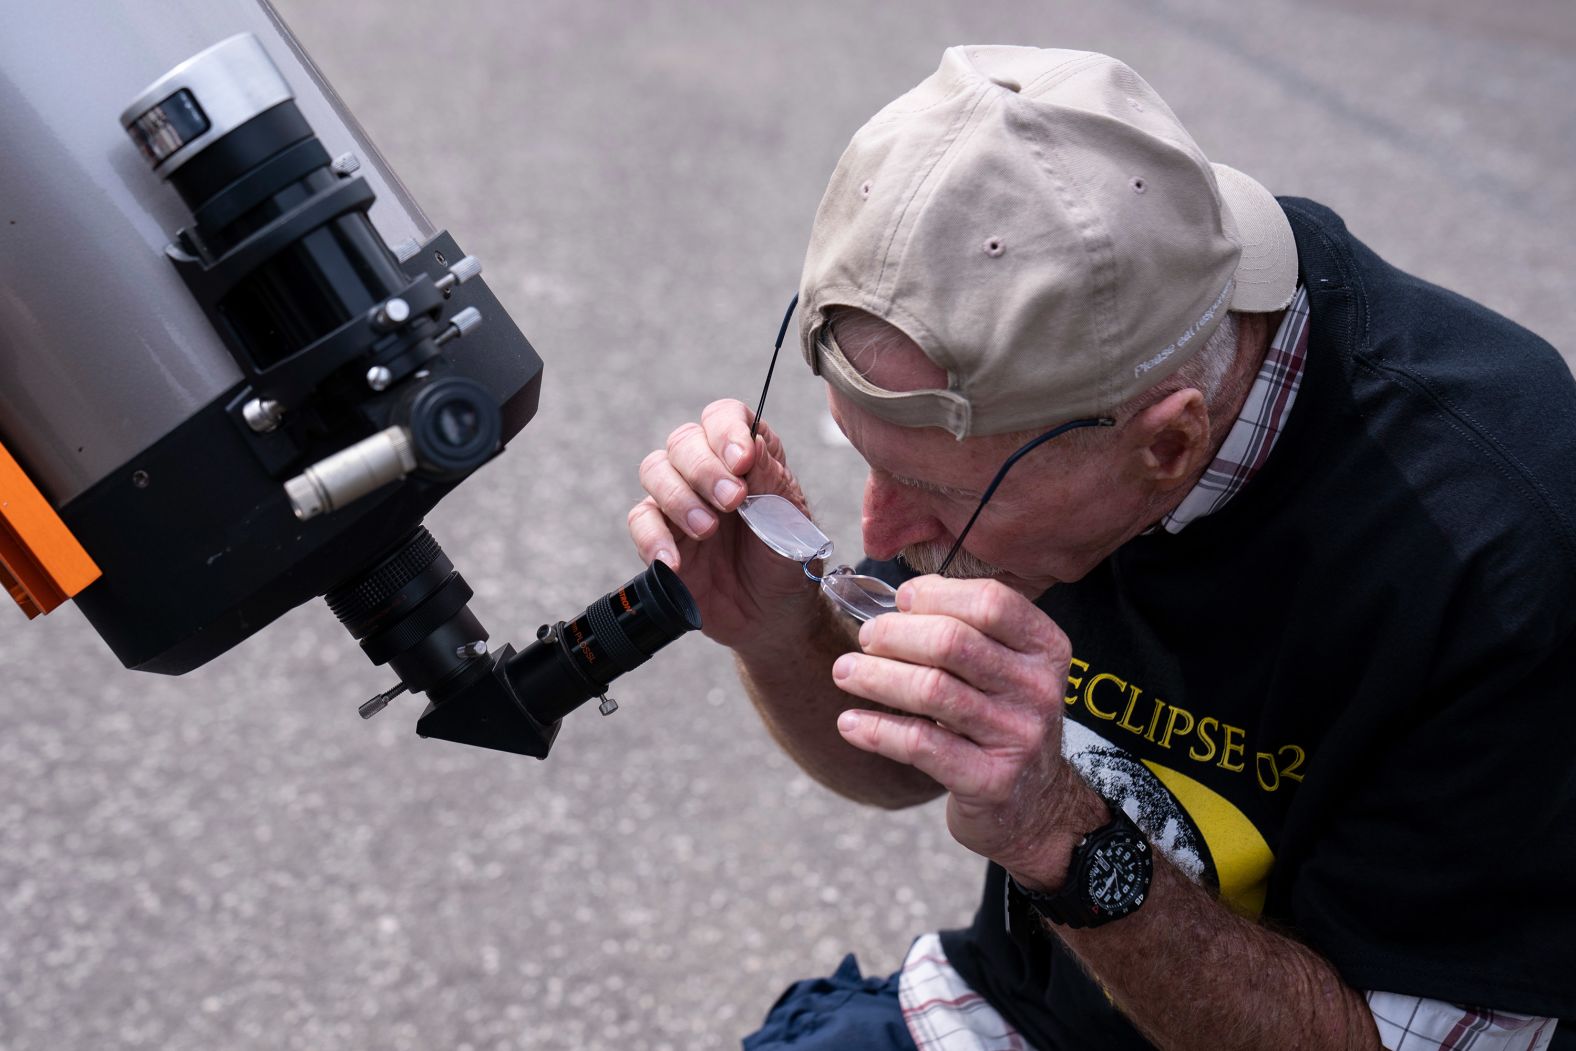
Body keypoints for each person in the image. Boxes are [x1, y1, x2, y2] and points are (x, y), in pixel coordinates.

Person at [627, 46, 1576, 1050]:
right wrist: (776, 627)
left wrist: (1059, 836)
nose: (881, 537)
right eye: (862, 459)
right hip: (1014, 1009)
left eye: (940, 495)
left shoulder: (1500, 544)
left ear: (1166, 443)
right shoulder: (1083, 341)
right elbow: (901, 767)